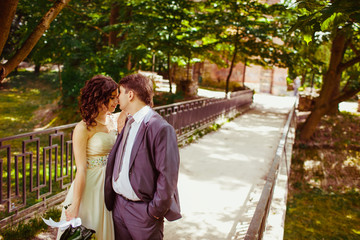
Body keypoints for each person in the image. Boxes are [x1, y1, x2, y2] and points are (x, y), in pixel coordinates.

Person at [104, 73, 181, 240]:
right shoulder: (128, 122)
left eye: (120, 93)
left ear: (130, 95)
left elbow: (168, 176)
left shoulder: (160, 127)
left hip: (143, 214)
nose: (117, 98)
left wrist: (154, 211)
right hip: (119, 207)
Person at [57, 75, 127, 240]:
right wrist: (76, 204)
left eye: (117, 97)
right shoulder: (83, 128)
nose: (116, 101)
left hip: (110, 185)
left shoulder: (113, 120)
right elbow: (81, 169)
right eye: (112, 98)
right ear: (98, 98)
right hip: (90, 186)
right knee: (88, 230)